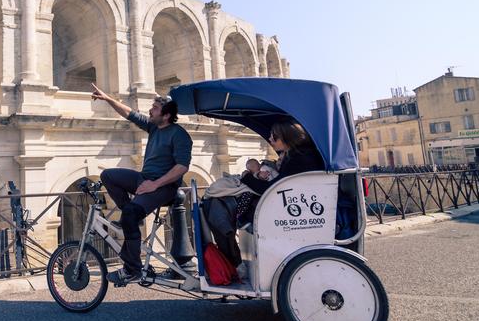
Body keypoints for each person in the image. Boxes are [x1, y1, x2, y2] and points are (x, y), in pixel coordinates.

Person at [92, 83, 192, 286]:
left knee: (129, 215)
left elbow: (181, 167)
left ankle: (132, 270)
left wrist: (155, 185)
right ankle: (130, 216)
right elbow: (130, 113)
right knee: (108, 175)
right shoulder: (154, 127)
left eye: (155, 108)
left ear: (166, 115)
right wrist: (107, 98)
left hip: (164, 187)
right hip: (144, 178)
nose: (150, 110)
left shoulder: (179, 135)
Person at [202, 120, 324, 272]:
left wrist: (248, 176)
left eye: (274, 137)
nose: (271, 140)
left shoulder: (299, 159)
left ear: (287, 138)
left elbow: (270, 188)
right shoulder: (295, 155)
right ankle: (231, 256)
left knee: (218, 205)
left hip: (283, 203)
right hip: (284, 198)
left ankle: (232, 257)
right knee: (219, 205)